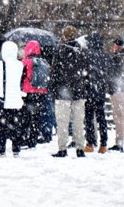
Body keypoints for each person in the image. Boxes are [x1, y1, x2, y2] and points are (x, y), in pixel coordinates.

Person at [50, 26, 89, 157]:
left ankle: (62, 148)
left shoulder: (59, 50)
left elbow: (54, 72)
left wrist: (53, 88)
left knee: (62, 122)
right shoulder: (82, 51)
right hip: (79, 90)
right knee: (78, 122)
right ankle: (80, 148)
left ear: (64, 36)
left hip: (63, 91)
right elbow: (86, 72)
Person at [0, 41, 25, 156]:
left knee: (2, 127)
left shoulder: (0, 64)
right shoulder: (20, 65)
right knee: (16, 126)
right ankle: (16, 149)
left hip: (3, 101)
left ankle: (2, 150)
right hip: (16, 100)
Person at [84, 32, 114, 154]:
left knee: (89, 118)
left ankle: (90, 143)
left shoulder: (86, 55)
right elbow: (110, 74)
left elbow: (84, 73)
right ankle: (103, 144)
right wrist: (110, 88)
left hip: (89, 89)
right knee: (101, 118)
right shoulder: (106, 56)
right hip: (100, 90)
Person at [20, 40, 50, 148]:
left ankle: (25, 138)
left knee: (26, 116)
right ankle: (34, 138)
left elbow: (21, 77)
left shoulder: (25, 62)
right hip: (41, 92)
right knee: (36, 117)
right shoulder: (43, 62)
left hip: (28, 92)